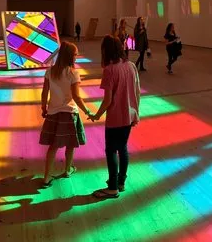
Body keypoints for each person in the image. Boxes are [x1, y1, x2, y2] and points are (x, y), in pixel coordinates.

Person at [89, 35, 141, 199]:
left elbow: (108, 100)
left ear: (106, 50)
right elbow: (137, 92)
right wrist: (136, 113)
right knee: (123, 148)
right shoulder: (131, 66)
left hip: (115, 118)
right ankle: (121, 182)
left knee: (111, 150)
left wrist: (96, 115)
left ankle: (112, 188)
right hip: (130, 114)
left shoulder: (110, 70)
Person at [39, 41, 91, 188]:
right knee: (70, 145)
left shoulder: (50, 71)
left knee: (53, 146)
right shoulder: (73, 73)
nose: (77, 56)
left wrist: (44, 108)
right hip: (69, 113)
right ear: (69, 56)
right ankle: (67, 170)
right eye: (75, 54)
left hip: (53, 113)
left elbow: (44, 93)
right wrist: (87, 111)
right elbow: (76, 96)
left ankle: (46, 177)